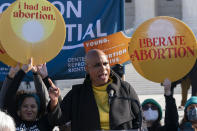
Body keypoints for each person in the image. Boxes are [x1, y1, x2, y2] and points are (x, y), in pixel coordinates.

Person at [48, 49, 143, 130]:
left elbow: (139, 118)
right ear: (87, 69)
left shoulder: (125, 89)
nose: (103, 68)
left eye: (105, 64)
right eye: (97, 65)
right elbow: (57, 120)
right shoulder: (77, 94)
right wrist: (54, 101)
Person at [3, 59, 57, 131]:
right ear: (19, 109)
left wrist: (44, 77)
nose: (29, 109)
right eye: (25, 106)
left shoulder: (45, 124)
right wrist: (22, 72)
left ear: (38, 109)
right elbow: (9, 97)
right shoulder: (12, 122)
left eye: (33, 106)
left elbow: (55, 99)